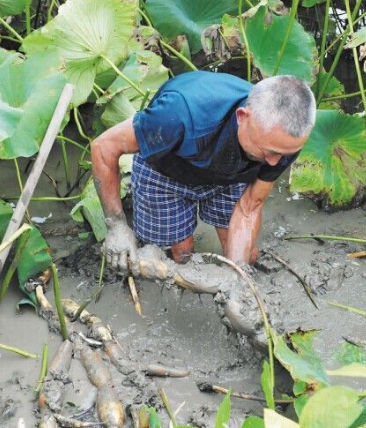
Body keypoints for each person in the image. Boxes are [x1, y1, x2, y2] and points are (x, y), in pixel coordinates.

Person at [91, 71, 316, 275]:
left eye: (285, 154)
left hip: (230, 172)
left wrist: (237, 280)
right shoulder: (177, 114)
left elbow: (250, 207)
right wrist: (116, 225)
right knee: (182, 254)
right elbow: (103, 148)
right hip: (166, 171)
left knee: (244, 258)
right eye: (270, 152)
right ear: (242, 117)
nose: (275, 162)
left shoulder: (284, 144)